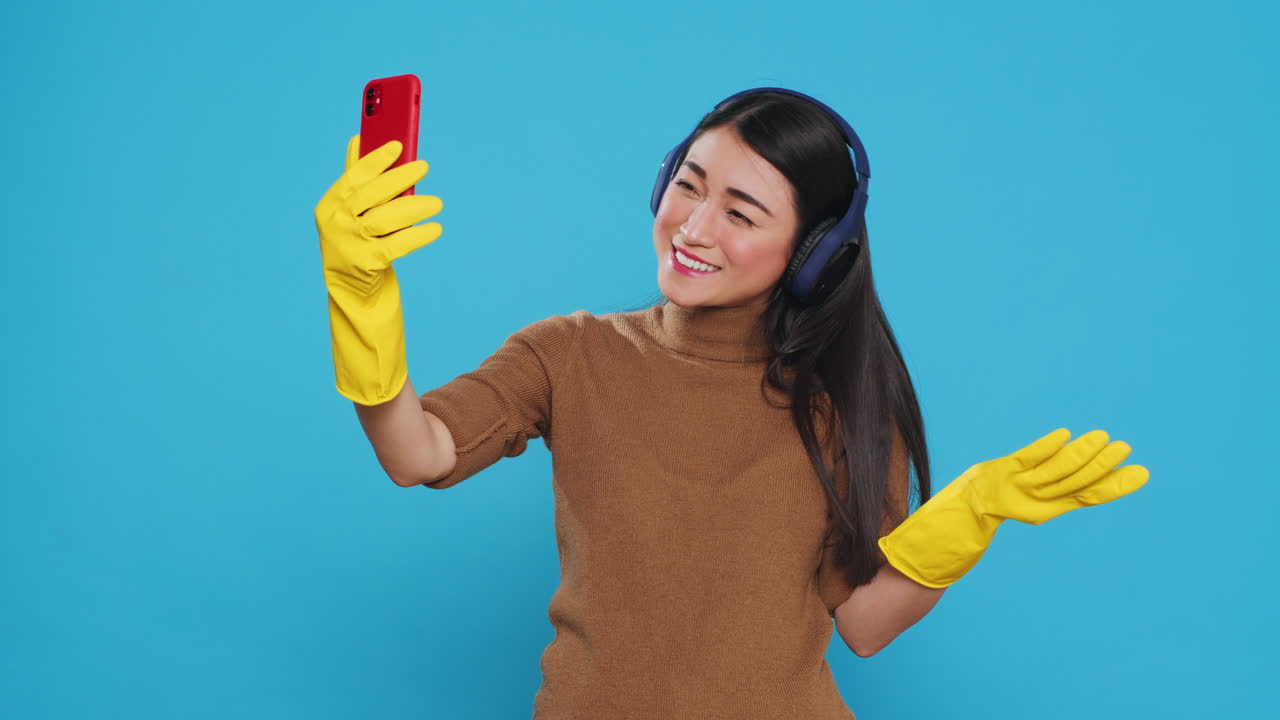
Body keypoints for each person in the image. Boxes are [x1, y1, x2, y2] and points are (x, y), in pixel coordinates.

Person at [314, 88, 1150, 719]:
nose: (694, 226)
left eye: (741, 211)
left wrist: (968, 518)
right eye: (689, 183)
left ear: (813, 255)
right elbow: (415, 452)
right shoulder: (570, 353)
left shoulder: (841, 410)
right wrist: (360, 300)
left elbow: (862, 623)